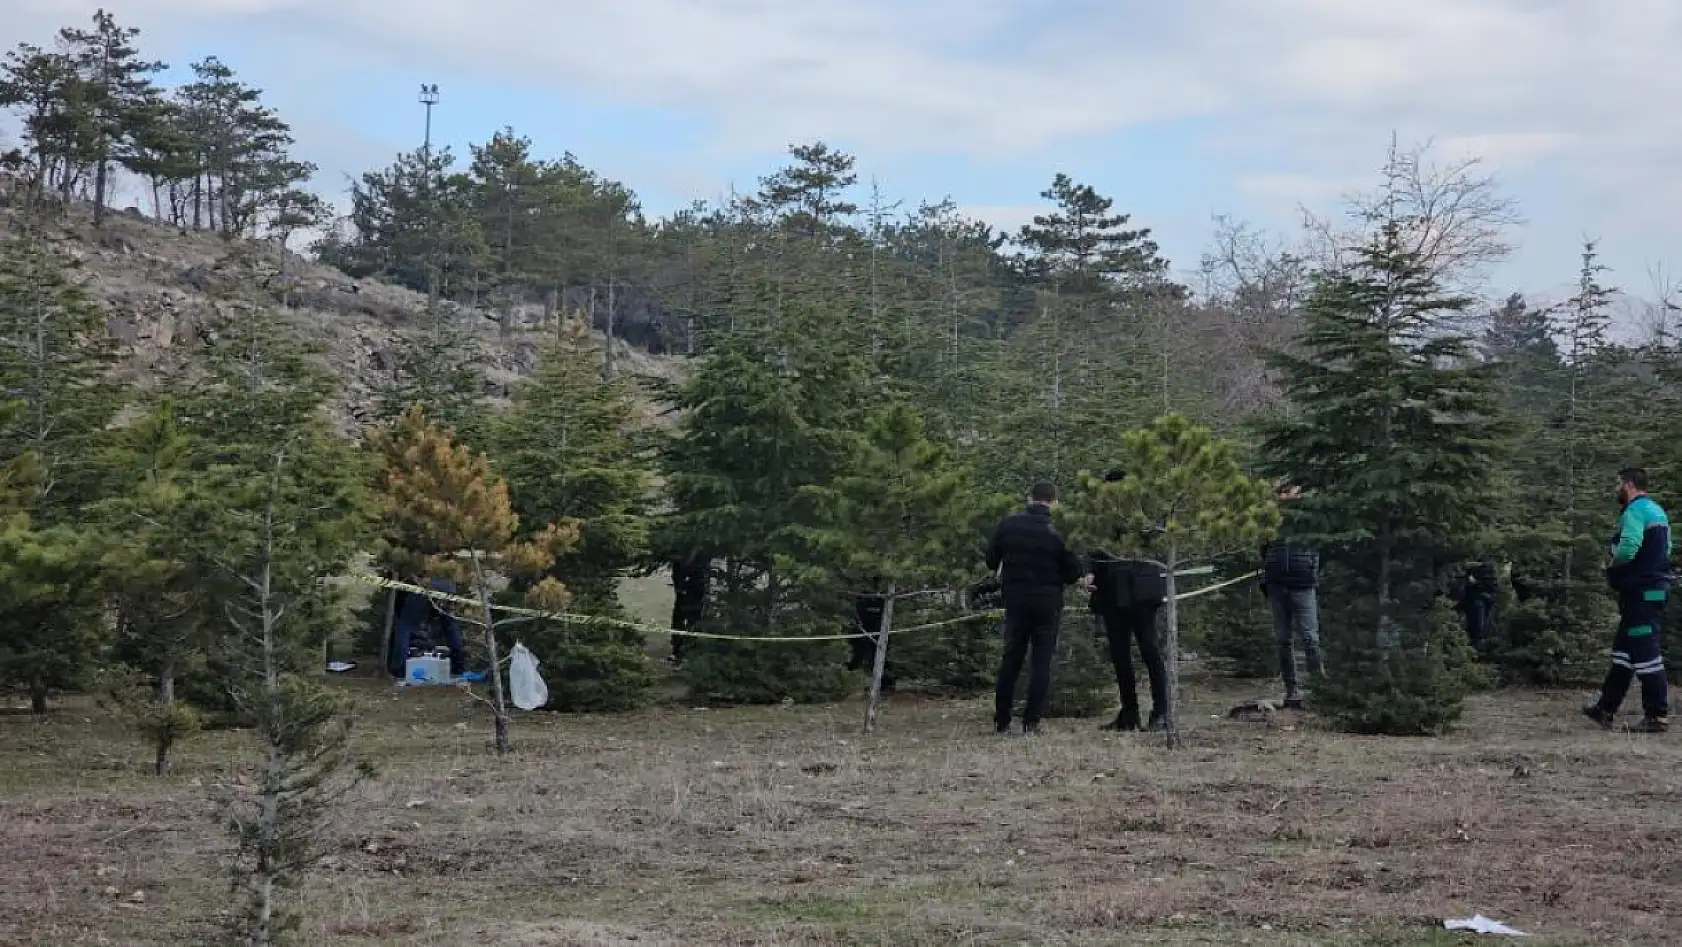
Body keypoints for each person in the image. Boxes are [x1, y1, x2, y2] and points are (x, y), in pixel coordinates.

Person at [986, 481, 1089, 734]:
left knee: (1011, 659)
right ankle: (1031, 722)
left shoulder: (1008, 524)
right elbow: (1073, 571)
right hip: (1047, 602)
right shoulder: (1059, 529)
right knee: (1041, 662)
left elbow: (991, 561)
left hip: (1016, 600)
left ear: (1029, 498)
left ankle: (1002, 720)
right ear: (1055, 501)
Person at [1583, 467, 1671, 734]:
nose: (1615, 488)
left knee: (1645, 651)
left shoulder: (1635, 510)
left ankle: (1656, 715)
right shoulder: (1656, 511)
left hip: (1641, 592)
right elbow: (1667, 549)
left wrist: (1612, 562)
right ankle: (1605, 708)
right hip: (1654, 590)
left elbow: (1630, 545)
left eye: (1618, 483)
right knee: (1624, 651)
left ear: (1630, 485)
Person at [1088, 468, 1169, 732]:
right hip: (1111, 593)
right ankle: (1129, 713)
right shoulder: (1099, 517)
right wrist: (1087, 571)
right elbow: (1091, 548)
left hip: (1141, 593)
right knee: (1120, 656)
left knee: (1150, 651)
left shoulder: (1145, 509)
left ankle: (1161, 712)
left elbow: (1155, 534)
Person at [1260, 536, 1321, 709]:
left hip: (1303, 582)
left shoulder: (1307, 516)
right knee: (1282, 640)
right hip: (1276, 584)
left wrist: (1311, 570)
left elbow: (1319, 544)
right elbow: (1263, 548)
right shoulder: (1270, 518)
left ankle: (1319, 690)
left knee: (1310, 638)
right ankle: (1291, 690)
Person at [389, 576, 466, 677]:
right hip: (447, 588)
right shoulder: (448, 570)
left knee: (405, 626)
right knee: (451, 627)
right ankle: (458, 667)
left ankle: (400, 669)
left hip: (422, 588)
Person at [847, 586, 894, 690]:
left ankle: (885, 684)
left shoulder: (881, 602)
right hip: (863, 634)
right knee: (863, 657)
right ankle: (851, 677)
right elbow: (857, 620)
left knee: (880, 659)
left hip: (880, 635)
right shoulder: (861, 603)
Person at [669, 553, 710, 665]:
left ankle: (691, 653)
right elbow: (676, 573)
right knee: (678, 621)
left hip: (694, 596)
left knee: (693, 622)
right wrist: (679, 587)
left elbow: (700, 578)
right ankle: (677, 651)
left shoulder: (699, 557)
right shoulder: (679, 556)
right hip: (682, 597)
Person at [1456, 560, 1499, 651]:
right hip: (1477, 599)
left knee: (1480, 624)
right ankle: (1475, 646)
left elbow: (1491, 585)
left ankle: (1477, 647)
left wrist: (1476, 583)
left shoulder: (1486, 569)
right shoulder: (1472, 571)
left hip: (1482, 599)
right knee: (1477, 624)